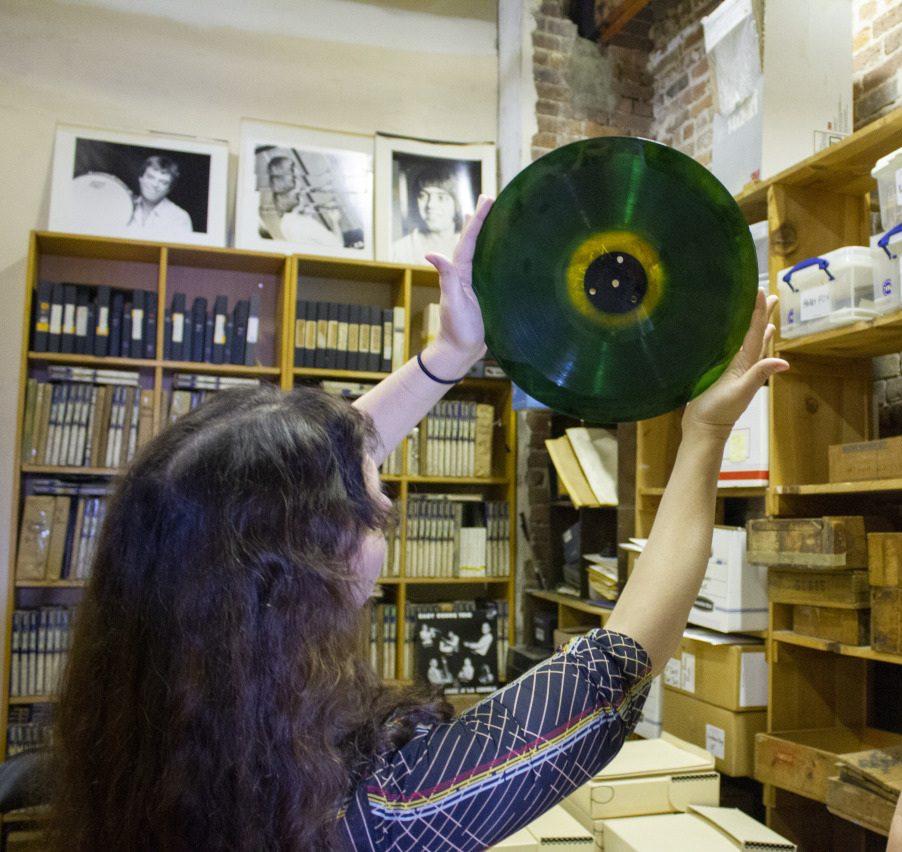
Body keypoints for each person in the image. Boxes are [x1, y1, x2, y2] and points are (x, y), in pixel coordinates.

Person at [49, 194, 788, 851]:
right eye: (365, 507)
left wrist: (450, 353)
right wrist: (703, 437)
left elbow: (298, 473)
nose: (388, 504)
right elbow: (615, 667)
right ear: (307, 567)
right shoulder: (388, 812)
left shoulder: (153, 718)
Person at [390, 162, 464, 264]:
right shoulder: (401, 250)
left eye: (441, 197)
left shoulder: (469, 248)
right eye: (423, 196)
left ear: (457, 205)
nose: (430, 205)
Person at [124, 155, 193, 238]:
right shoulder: (125, 206)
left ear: (169, 189)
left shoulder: (179, 217)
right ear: (140, 178)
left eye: (163, 182)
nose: (155, 185)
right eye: (150, 177)